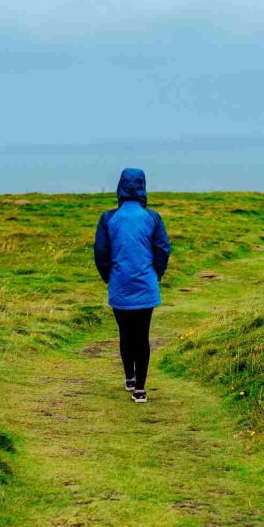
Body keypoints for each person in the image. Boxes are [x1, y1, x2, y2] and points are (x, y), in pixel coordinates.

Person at [94, 168, 171, 403]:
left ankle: (129, 377)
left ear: (120, 187)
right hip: (145, 284)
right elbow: (163, 249)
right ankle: (140, 389)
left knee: (125, 333)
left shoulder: (108, 218)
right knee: (142, 335)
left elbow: (101, 252)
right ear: (143, 187)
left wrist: (108, 276)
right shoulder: (153, 217)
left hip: (119, 284)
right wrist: (155, 275)